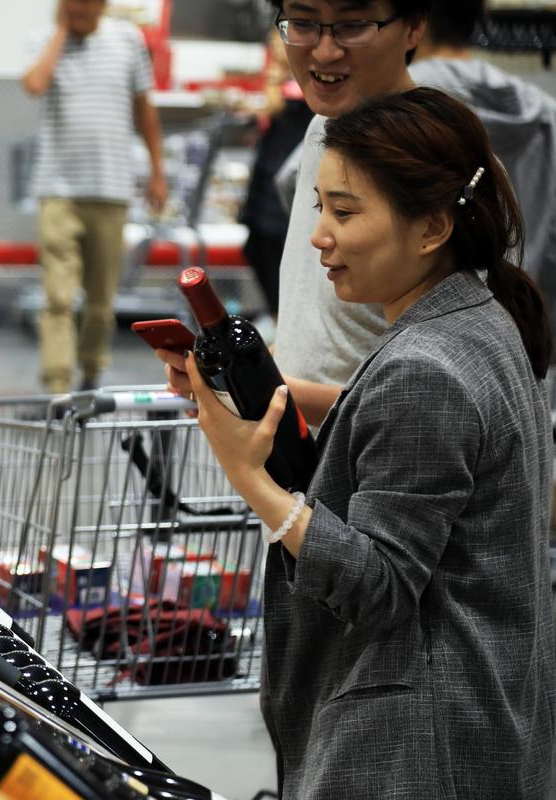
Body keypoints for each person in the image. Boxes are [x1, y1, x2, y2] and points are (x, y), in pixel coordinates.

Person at [187, 86, 555, 799]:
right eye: (320, 207)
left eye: (346, 212)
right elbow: (401, 435)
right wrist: (270, 394)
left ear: (430, 228)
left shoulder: (424, 366)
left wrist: (252, 480)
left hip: (415, 750)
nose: (321, 235)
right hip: (482, 724)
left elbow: (378, 586)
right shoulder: (478, 322)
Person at [157, 0, 428, 426]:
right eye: (302, 23)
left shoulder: (432, 158)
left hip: (376, 476)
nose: (323, 51)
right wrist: (242, 377)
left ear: (413, 27)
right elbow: (317, 324)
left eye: (352, 25)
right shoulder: (321, 128)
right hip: (300, 471)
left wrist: (258, 390)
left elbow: (430, 400)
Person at [21, 0, 167, 394]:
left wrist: (157, 171)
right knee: (58, 297)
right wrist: (60, 35)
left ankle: (91, 367)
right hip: (57, 190)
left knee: (101, 299)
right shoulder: (44, 41)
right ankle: (57, 384)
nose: (79, 10)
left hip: (111, 188)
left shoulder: (127, 40)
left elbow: (144, 109)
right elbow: (34, 84)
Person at [410, 0, 556, 346]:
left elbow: (297, 179)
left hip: (418, 329)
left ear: (414, 22)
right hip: (522, 331)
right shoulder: (543, 110)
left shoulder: (394, 101)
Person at [238, 29, 313, 319]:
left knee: (277, 250)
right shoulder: (286, 80)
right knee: (257, 246)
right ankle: (278, 316)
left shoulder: (308, 82)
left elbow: (277, 105)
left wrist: (274, 76)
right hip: (269, 179)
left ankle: (283, 317)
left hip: (283, 183)